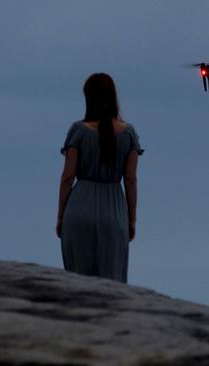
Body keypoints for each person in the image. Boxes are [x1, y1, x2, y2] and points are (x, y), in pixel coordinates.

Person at [56, 73, 144, 283]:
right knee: (112, 282)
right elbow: (130, 180)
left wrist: (60, 215)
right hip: (114, 212)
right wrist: (131, 218)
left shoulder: (78, 131)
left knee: (77, 281)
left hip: (78, 210)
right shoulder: (129, 133)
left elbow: (67, 177)